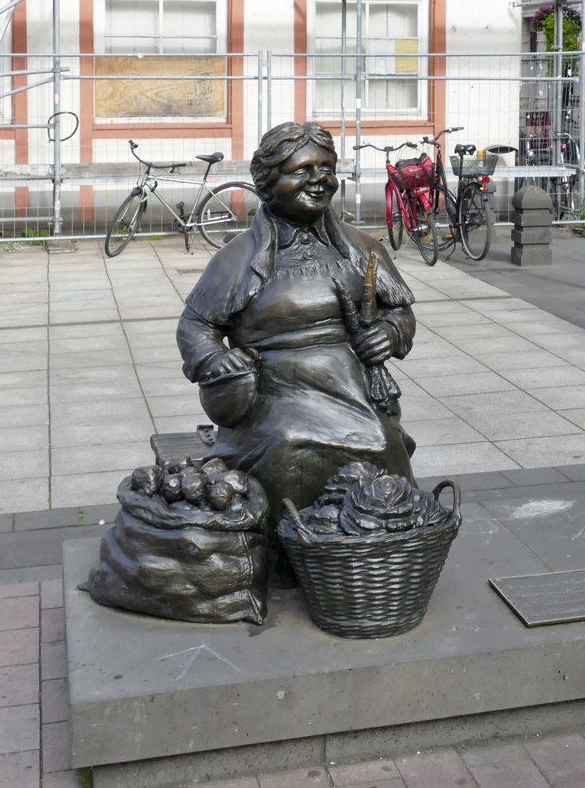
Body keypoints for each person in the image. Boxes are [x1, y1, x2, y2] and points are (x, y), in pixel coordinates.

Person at [176, 121, 417, 583]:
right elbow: (196, 324)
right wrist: (212, 359)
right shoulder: (237, 257)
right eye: (303, 170)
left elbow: (401, 312)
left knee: (383, 443)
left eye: (327, 169)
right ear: (268, 183)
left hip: (349, 387)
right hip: (272, 391)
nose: (319, 179)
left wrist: (390, 330)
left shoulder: (359, 248)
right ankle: (288, 561)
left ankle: (384, 553)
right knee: (288, 444)